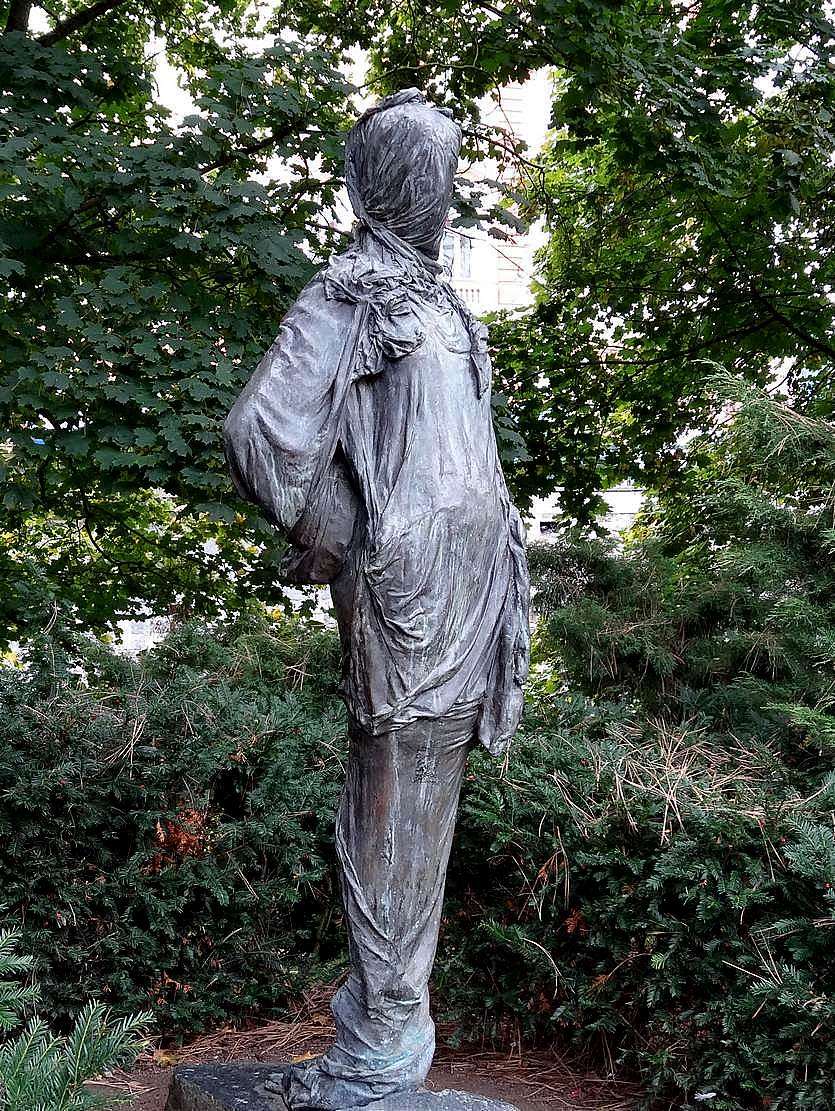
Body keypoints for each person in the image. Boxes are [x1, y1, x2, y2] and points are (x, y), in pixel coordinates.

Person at [224, 88, 530, 1111]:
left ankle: (390, 1038)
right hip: (404, 594)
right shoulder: (348, 291)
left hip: (468, 588)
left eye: (448, 170)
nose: (443, 190)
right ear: (382, 182)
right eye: (427, 169)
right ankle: (377, 1044)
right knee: (393, 798)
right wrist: (345, 529)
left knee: (428, 806)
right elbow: (259, 430)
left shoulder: (439, 300)